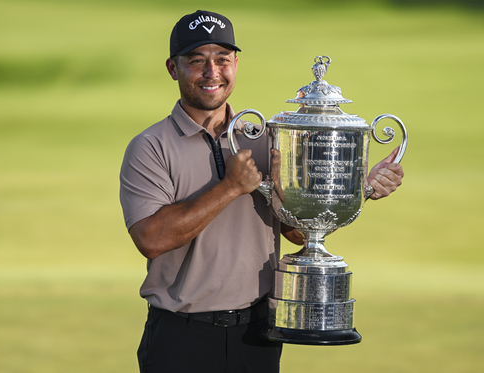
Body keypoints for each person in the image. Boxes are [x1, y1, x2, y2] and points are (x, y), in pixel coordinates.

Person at [119, 10, 404, 373]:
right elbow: (151, 239)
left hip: (257, 336)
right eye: (197, 61)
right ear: (173, 68)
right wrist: (231, 187)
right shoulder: (150, 146)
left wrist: (354, 187)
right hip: (182, 338)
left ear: (236, 64)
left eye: (222, 59)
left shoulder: (265, 138)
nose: (212, 72)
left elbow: (297, 229)